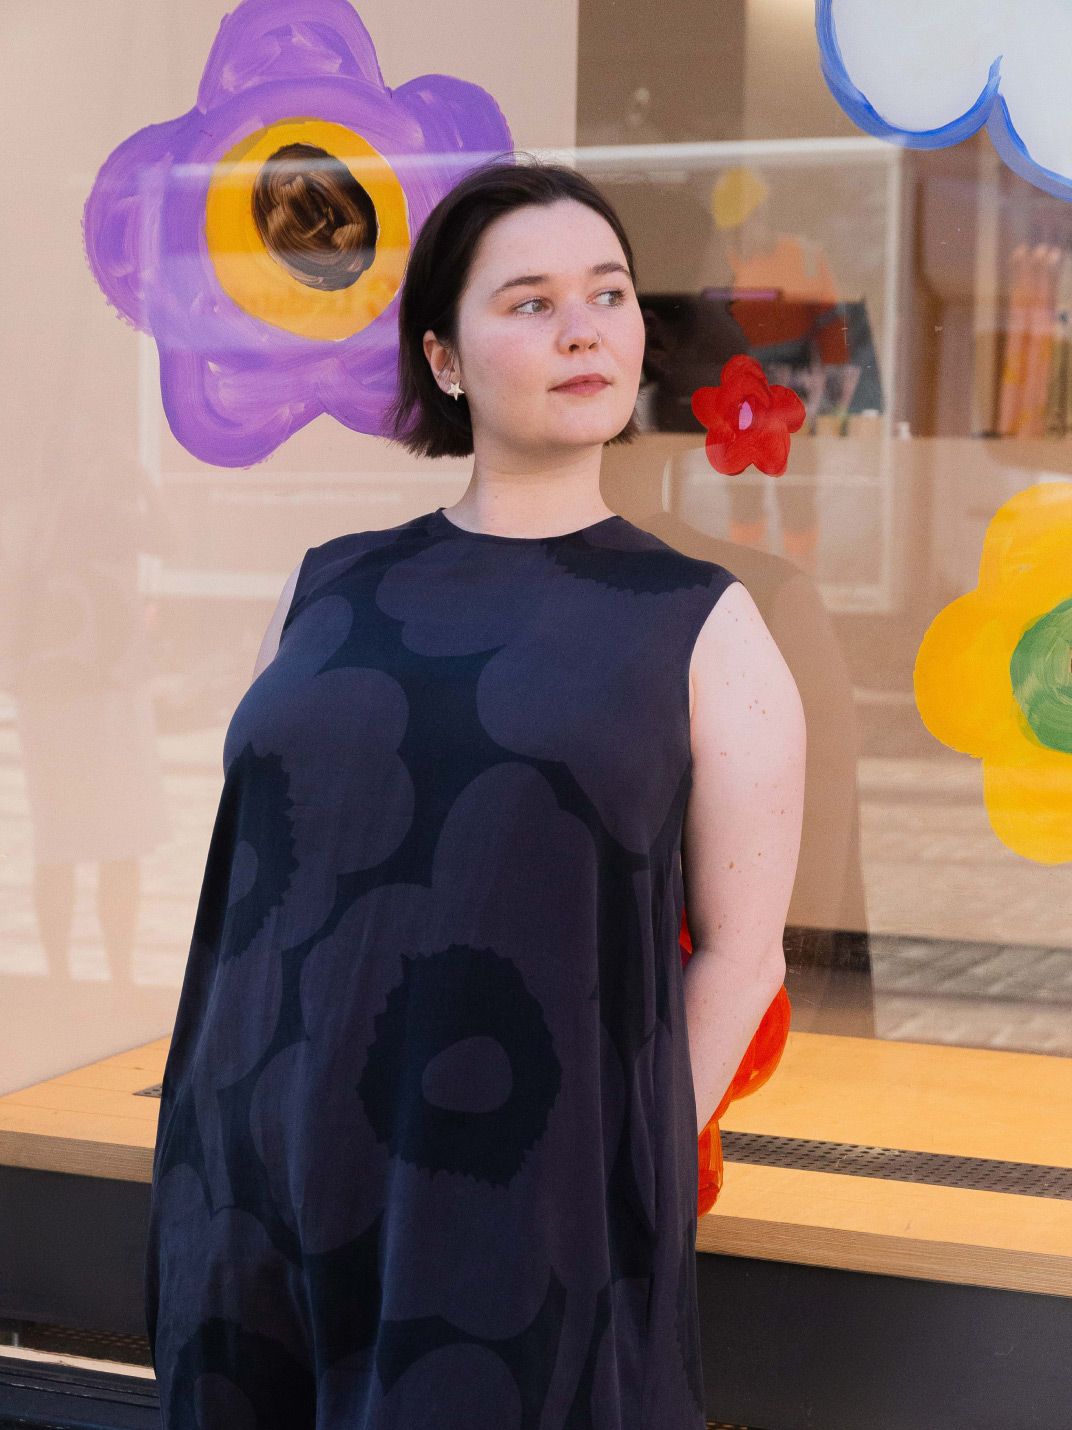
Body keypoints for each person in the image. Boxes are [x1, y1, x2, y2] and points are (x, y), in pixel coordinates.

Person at [144, 153, 805, 1428]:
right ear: (444, 359)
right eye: (531, 300)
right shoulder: (325, 585)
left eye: (608, 294)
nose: (583, 328)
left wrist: (609, 1172)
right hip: (250, 1188)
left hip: (511, 1209)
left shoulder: (700, 622)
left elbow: (744, 956)